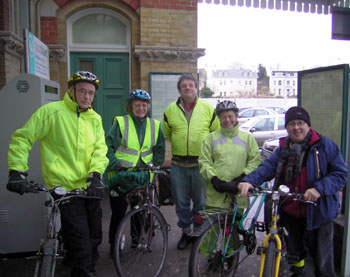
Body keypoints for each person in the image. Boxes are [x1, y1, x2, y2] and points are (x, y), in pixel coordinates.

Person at [7, 71, 109, 277]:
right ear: (71, 90)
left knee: (95, 235)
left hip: (89, 185)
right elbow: (23, 138)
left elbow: (100, 150)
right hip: (64, 187)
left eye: (91, 93)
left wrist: (96, 174)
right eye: (82, 91)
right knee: (81, 241)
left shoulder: (95, 118)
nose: (87, 97)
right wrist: (17, 170)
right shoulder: (51, 112)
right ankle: (81, 270)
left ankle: (81, 264)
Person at [238, 106, 347, 277]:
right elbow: (267, 167)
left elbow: (340, 175)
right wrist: (248, 181)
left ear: (308, 125)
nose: (296, 127)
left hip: (318, 212)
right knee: (295, 253)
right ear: (287, 127)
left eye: (300, 123)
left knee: (323, 261)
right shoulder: (283, 148)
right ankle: (299, 271)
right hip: (290, 210)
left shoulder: (325, 146)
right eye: (292, 124)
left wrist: (319, 188)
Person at [162, 74, 220, 250]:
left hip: (200, 165)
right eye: (184, 86)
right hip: (179, 165)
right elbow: (168, 134)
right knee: (181, 203)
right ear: (179, 90)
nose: (187, 88)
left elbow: (215, 133)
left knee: (200, 203)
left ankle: (198, 233)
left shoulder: (208, 108)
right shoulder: (170, 110)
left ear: (196, 88)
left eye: (191, 85)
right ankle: (186, 233)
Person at [105, 89, 165, 256]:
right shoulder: (120, 123)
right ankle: (114, 245)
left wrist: (155, 165)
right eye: (137, 105)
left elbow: (160, 149)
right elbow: (106, 147)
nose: (141, 108)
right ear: (130, 107)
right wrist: (116, 164)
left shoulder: (155, 125)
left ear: (148, 107)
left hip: (143, 175)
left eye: (144, 105)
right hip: (121, 176)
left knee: (139, 211)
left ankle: (137, 240)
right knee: (118, 213)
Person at [198, 100, 261, 214]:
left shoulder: (247, 138)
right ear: (219, 119)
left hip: (239, 191)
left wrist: (243, 177)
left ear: (237, 116)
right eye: (223, 117)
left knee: (235, 228)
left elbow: (255, 161)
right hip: (216, 195)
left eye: (230, 116)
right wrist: (214, 179)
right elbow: (204, 161)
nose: (227, 120)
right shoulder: (211, 138)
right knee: (212, 229)